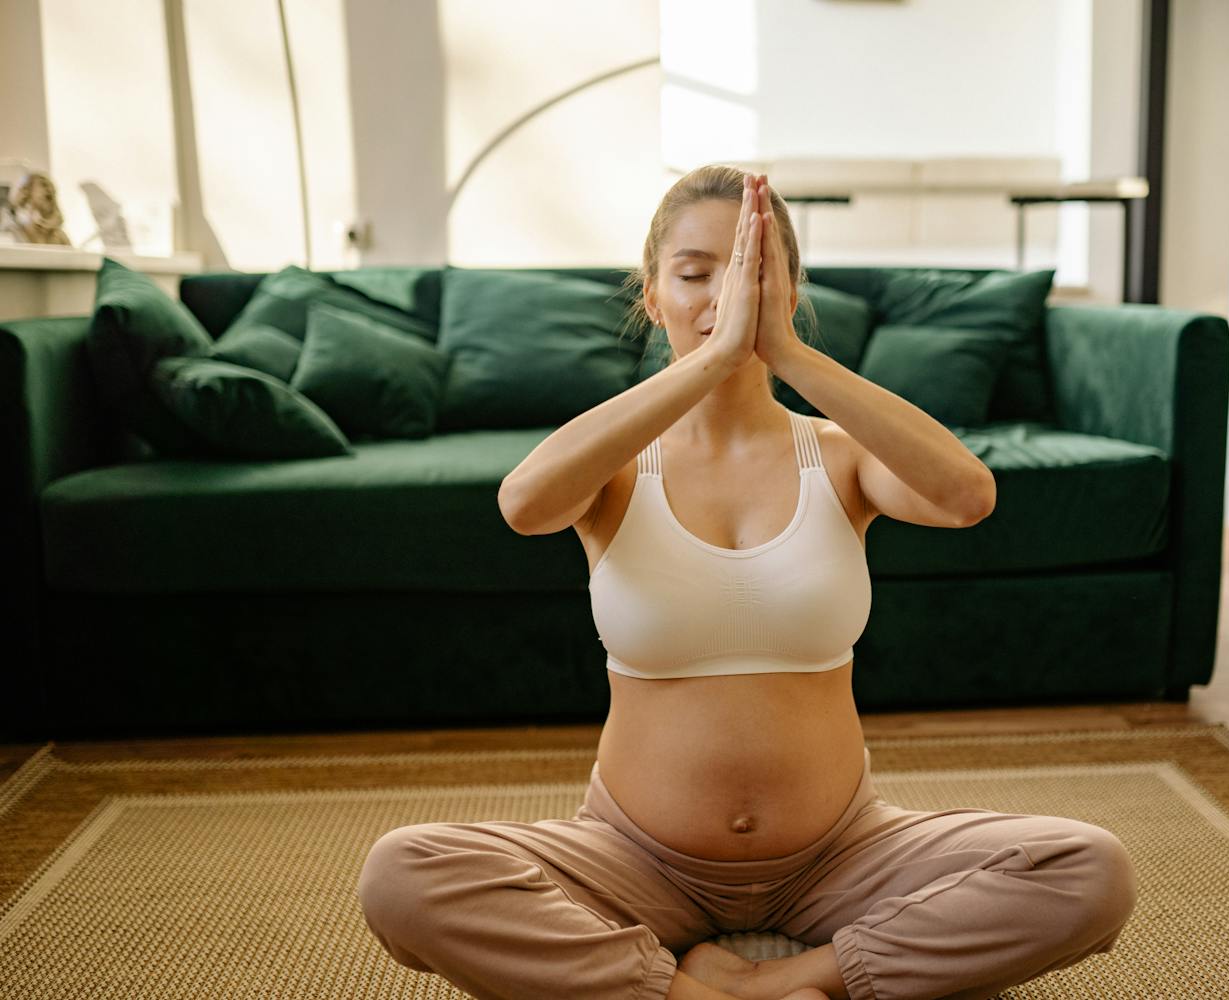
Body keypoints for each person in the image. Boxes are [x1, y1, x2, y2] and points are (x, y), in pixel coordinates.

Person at [356, 164, 1139, 1000]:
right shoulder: (617, 462)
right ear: (653, 296)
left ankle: (778, 981)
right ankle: (691, 991)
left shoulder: (837, 455)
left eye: (751, 274)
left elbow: (967, 496)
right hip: (632, 859)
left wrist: (789, 355)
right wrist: (713, 358)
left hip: (842, 855)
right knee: (404, 873)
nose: (724, 296)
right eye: (696, 274)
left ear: (790, 292)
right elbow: (523, 506)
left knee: (1089, 871)